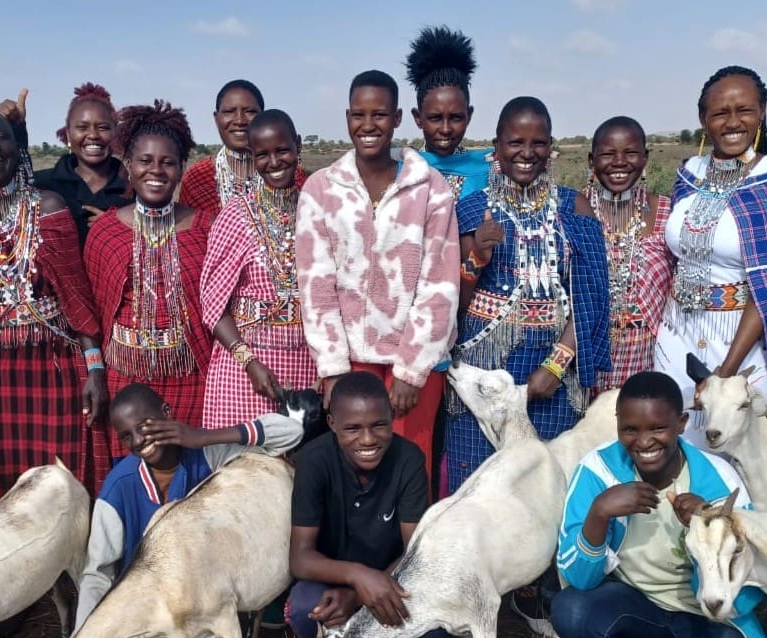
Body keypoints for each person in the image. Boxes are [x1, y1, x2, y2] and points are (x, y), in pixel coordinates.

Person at [551, 371, 767, 638]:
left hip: (708, 613)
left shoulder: (717, 478)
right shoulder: (598, 470)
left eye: (658, 428)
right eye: (630, 429)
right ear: (618, 425)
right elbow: (577, 579)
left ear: (682, 423)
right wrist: (599, 513)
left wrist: (710, 526)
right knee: (569, 609)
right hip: (638, 605)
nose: (644, 442)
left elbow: (754, 588)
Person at [78, 383, 303, 638]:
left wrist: (200, 436)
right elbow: (96, 574)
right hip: (137, 620)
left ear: (167, 412)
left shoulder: (205, 455)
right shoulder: (117, 489)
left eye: (146, 425)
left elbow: (290, 433)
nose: (140, 439)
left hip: (184, 621)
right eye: (127, 435)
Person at [0, 108, 109, 505]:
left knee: (59, 489)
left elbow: (76, 301)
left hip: (54, 372)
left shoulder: (49, 209)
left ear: (18, 148)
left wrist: (95, 370)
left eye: (0, 136)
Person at [296, 70, 459, 484]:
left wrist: (411, 370)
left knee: (409, 465)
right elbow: (316, 284)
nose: (368, 126)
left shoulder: (430, 187)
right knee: (353, 468)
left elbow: (439, 284)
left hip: (412, 363)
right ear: (347, 117)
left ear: (399, 117)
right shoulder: (321, 189)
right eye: (359, 115)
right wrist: (332, 367)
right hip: (350, 359)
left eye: (380, 114)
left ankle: (407, 551)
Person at [446, 96, 611, 492]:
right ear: (497, 146)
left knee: (549, 486)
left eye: (538, 143)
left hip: (552, 374)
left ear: (551, 146)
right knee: (478, 491)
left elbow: (592, 298)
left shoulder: (575, 207)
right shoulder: (470, 209)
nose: (527, 153)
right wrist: (477, 258)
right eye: (515, 142)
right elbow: (454, 303)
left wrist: (556, 367)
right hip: (483, 373)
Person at [654, 66, 767, 444]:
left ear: (762, 112)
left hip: (738, 341)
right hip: (676, 335)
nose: (733, 122)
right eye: (720, 112)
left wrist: (726, 372)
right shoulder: (689, 172)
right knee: (674, 442)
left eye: (745, 111)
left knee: (732, 448)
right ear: (703, 119)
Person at [288, 371, 449, 638]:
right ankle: (354, 636)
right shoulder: (313, 461)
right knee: (307, 608)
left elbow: (415, 550)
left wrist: (359, 594)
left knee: (435, 632)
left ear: (392, 417)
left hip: (394, 575)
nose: (367, 439)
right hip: (334, 577)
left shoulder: (408, 459)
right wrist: (357, 578)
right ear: (332, 423)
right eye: (352, 428)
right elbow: (300, 558)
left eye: (379, 425)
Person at [84, 100, 214, 452]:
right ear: (128, 166)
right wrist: (94, 371)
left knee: (190, 478)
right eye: (145, 161)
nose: (156, 170)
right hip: (123, 378)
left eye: (167, 162)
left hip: (191, 378)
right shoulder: (106, 231)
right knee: (131, 474)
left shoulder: (205, 228)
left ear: (181, 168)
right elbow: (90, 314)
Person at [200, 109, 317, 428]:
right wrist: (248, 362)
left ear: (298, 145)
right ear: (252, 157)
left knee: (298, 470)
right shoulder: (235, 216)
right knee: (242, 472)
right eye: (262, 154)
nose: (274, 162)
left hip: (307, 364)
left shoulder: (317, 210)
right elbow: (213, 306)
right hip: (245, 370)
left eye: (282, 150)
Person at [584, 116, 676, 392]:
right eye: (608, 154)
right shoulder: (573, 211)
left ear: (645, 158)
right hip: (586, 352)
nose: (620, 162)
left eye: (631, 153)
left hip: (647, 355)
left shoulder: (667, 213)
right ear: (591, 161)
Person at [0, 85, 134, 246]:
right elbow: (3, 188)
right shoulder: (41, 184)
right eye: (82, 127)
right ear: (68, 133)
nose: (93, 135)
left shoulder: (136, 190)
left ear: (115, 133)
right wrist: (14, 129)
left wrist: (120, 226)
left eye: (103, 127)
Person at [179, 80, 307, 215]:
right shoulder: (197, 177)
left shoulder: (292, 173)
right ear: (217, 118)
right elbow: (187, 232)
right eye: (229, 112)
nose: (240, 121)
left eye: (250, 111)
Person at [404, 25, 491, 202]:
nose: (445, 129)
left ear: (469, 116)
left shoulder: (487, 171)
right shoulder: (401, 169)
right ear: (418, 118)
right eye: (435, 118)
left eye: (456, 117)